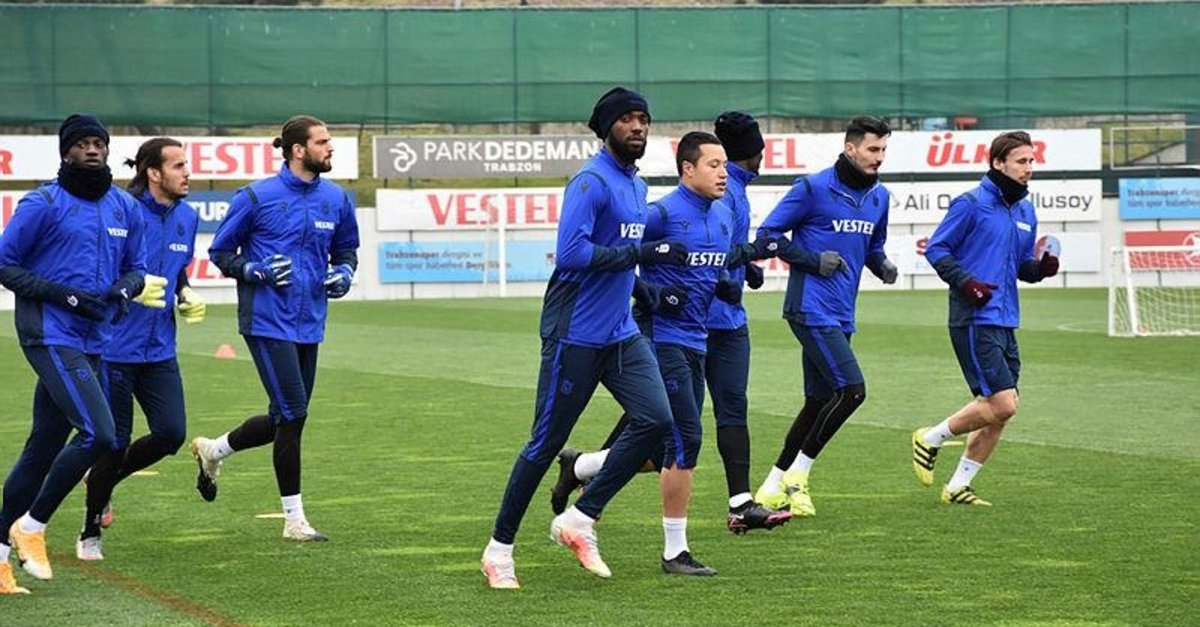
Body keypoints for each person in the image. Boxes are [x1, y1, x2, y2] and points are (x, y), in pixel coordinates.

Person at [481, 87, 687, 589]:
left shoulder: (636, 185)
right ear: (606, 127)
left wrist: (640, 287)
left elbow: (617, 249)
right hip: (574, 334)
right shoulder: (590, 182)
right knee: (544, 443)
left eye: (644, 118)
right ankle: (498, 551)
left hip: (619, 332)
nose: (638, 127)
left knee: (658, 421)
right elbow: (572, 254)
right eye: (627, 119)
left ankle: (579, 517)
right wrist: (642, 256)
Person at [189, 115, 360, 542]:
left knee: (283, 416)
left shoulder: (337, 199)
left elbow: (346, 251)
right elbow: (220, 252)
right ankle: (294, 520)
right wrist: (254, 270)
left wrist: (343, 274)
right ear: (298, 150)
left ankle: (214, 450)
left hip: (310, 321)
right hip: (266, 320)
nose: (330, 148)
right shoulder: (255, 197)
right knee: (294, 413)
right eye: (322, 142)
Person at [0, 114, 147, 593]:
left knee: (43, 447)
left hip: (94, 339)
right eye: (82, 143)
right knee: (100, 434)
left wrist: (124, 290)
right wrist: (64, 296)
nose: (92, 149)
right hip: (49, 333)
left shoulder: (125, 206)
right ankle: (32, 525)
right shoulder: (42, 203)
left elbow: (138, 269)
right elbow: (5, 264)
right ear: (65, 152)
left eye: (98, 142)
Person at [752, 116, 898, 517]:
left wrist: (881, 265)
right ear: (851, 148)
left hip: (842, 312)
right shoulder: (812, 188)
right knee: (852, 391)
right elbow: (766, 238)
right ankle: (798, 474)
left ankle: (770, 488)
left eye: (883, 150)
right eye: (872, 149)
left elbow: (873, 247)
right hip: (809, 308)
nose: (879, 157)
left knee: (818, 401)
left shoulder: (880, 197)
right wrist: (813, 260)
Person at [911, 131, 1058, 506]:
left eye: (1032, 160)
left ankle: (958, 486)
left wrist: (1040, 269)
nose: (1029, 168)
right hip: (974, 318)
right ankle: (930, 438)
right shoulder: (971, 203)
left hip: (1006, 318)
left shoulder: (1025, 211)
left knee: (1000, 412)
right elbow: (937, 249)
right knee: (1003, 403)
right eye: (1022, 161)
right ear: (997, 163)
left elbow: (1021, 265)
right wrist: (966, 283)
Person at [76, 137, 206, 561]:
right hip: (114, 346)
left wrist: (185, 292)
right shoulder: (121, 211)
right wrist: (130, 290)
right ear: (153, 172)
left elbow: (178, 269)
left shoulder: (187, 216)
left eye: (186, 165)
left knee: (171, 433)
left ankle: (103, 481)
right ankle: (90, 530)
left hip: (160, 349)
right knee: (113, 443)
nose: (187, 173)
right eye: (178, 166)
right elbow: (98, 272)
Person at [707, 111, 790, 533]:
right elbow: (712, 250)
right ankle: (586, 469)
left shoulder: (733, 189)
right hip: (699, 322)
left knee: (732, 408)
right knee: (656, 420)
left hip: (727, 321)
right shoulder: (727, 192)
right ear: (755, 151)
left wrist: (746, 269)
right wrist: (745, 260)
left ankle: (740, 504)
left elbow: (727, 249)